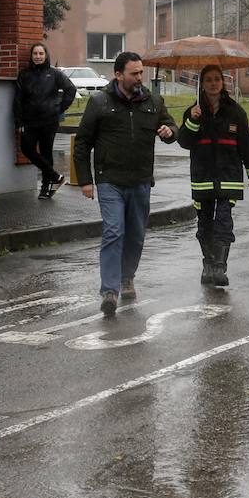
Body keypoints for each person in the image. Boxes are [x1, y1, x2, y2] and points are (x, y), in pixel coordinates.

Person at [73, 51, 179, 316]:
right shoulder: (99, 102)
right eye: (134, 73)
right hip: (110, 180)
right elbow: (83, 143)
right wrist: (86, 181)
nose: (139, 78)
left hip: (141, 180)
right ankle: (109, 290)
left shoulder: (153, 102)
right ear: (118, 74)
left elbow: (170, 128)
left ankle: (127, 276)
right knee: (113, 231)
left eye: (141, 72)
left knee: (136, 234)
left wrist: (169, 132)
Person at [178, 65, 249, 287]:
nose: (213, 84)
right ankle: (208, 264)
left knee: (223, 222)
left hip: (228, 177)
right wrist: (193, 121)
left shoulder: (235, 111)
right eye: (208, 80)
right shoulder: (193, 111)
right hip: (202, 178)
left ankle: (220, 268)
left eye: (217, 79)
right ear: (201, 85)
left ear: (223, 83)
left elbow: (247, 144)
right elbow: (184, 141)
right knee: (204, 224)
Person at [13, 42, 76, 199]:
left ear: (46, 55)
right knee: (27, 148)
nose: (38, 57)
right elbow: (18, 100)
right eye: (35, 54)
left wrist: (60, 108)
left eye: (41, 54)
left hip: (49, 120)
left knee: (46, 152)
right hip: (29, 121)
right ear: (31, 56)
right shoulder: (24, 75)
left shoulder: (54, 74)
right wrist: (19, 121)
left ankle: (46, 188)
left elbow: (71, 89)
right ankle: (55, 177)